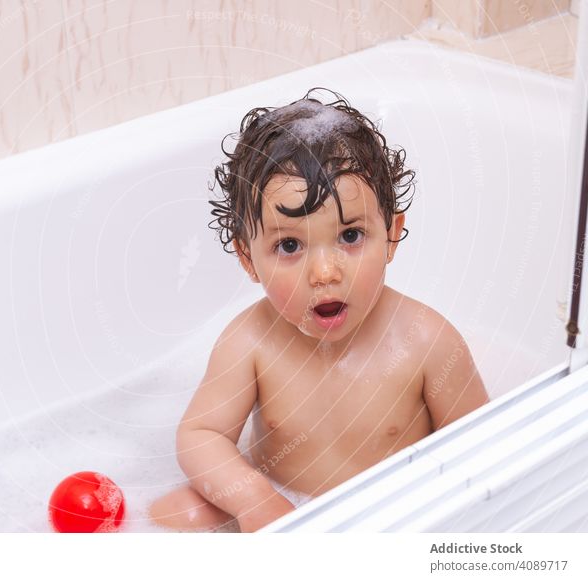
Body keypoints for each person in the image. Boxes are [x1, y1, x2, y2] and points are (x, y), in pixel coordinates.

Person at [149, 89, 489, 532]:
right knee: (177, 512)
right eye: (289, 245)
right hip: (285, 509)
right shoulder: (249, 343)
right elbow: (201, 435)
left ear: (391, 235)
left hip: (394, 517)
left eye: (350, 236)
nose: (325, 272)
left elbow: (484, 447)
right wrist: (256, 501)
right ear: (248, 259)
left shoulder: (426, 341)